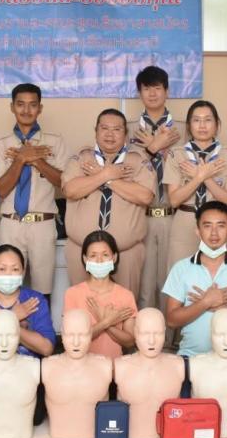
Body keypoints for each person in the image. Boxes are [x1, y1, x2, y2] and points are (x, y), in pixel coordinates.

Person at [62, 108, 156, 297]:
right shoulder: (81, 159)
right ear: (96, 131)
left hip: (126, 252)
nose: (110, 134)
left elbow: (145, 196)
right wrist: (105, 174)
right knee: (81, 307)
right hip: (81, 251)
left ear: (125, 134)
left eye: (116, 129)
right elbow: (70, 190)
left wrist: (108, 179)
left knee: (125, 307)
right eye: (104, 128)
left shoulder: (138, 161)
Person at [0, 83, 66, 298]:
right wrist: (20, 159)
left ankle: (41, 321)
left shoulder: (54, 142)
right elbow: (0, 190)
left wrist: (37, 160)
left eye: (32, 105)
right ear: (12, 107)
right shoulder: (0, 145)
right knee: (9, 285)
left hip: (43, 224)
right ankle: (10, 321)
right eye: (20, 104)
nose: (26, 110)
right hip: (11, 223)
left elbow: (63, 182)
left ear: (40, 108)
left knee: (43, 289)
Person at [163, 202, 227, 357]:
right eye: (207, 226)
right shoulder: (180, 268)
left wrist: (221, 307)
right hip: (190, 357)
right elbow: (171, 320)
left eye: (221, 226)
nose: (214, 233)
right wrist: (205, 302)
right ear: (198, 231)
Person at [129, 66, 187, 310]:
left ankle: (170, 333)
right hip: (140, 214)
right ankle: (145, 331)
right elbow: (127, 170)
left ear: (167, 91)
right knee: (143, 285)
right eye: (146, 88)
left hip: (174, 215)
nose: (152, 93)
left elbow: (189, 170)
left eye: (157, 88)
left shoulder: (183, 129)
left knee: (171, 283)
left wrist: (160, 148)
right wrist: (152, 148)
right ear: (139, 93)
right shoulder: (128, 129)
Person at [164, 100, 227, 275]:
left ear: (217, 124)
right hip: (185, 222)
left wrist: (205, 177)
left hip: (218, 222)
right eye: (196, 120)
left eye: (208, 120)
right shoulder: (176, 154)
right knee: (181, 276)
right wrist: (199, 177)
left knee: (219, 277)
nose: (202, 125)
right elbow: (174, 200)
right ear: (189, 125)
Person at [0, 244, 56, 359]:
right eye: (2, 269)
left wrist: (3, 320)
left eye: (15, 269)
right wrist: (11, 317)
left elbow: (46, 349)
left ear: (23, 272)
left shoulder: (35, 300)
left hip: (29, 369)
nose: (8, 274)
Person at [63, 230, 138, 359]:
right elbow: (74, 340)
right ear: (85, 259)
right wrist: (106, 321)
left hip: (113, 366)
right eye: (93, 255)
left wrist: (103, 320)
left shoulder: (126, 295)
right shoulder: (72, 294)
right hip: (81, 366)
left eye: (105, 255)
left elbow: (130, 342)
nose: (99, 260)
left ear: (114, 257)